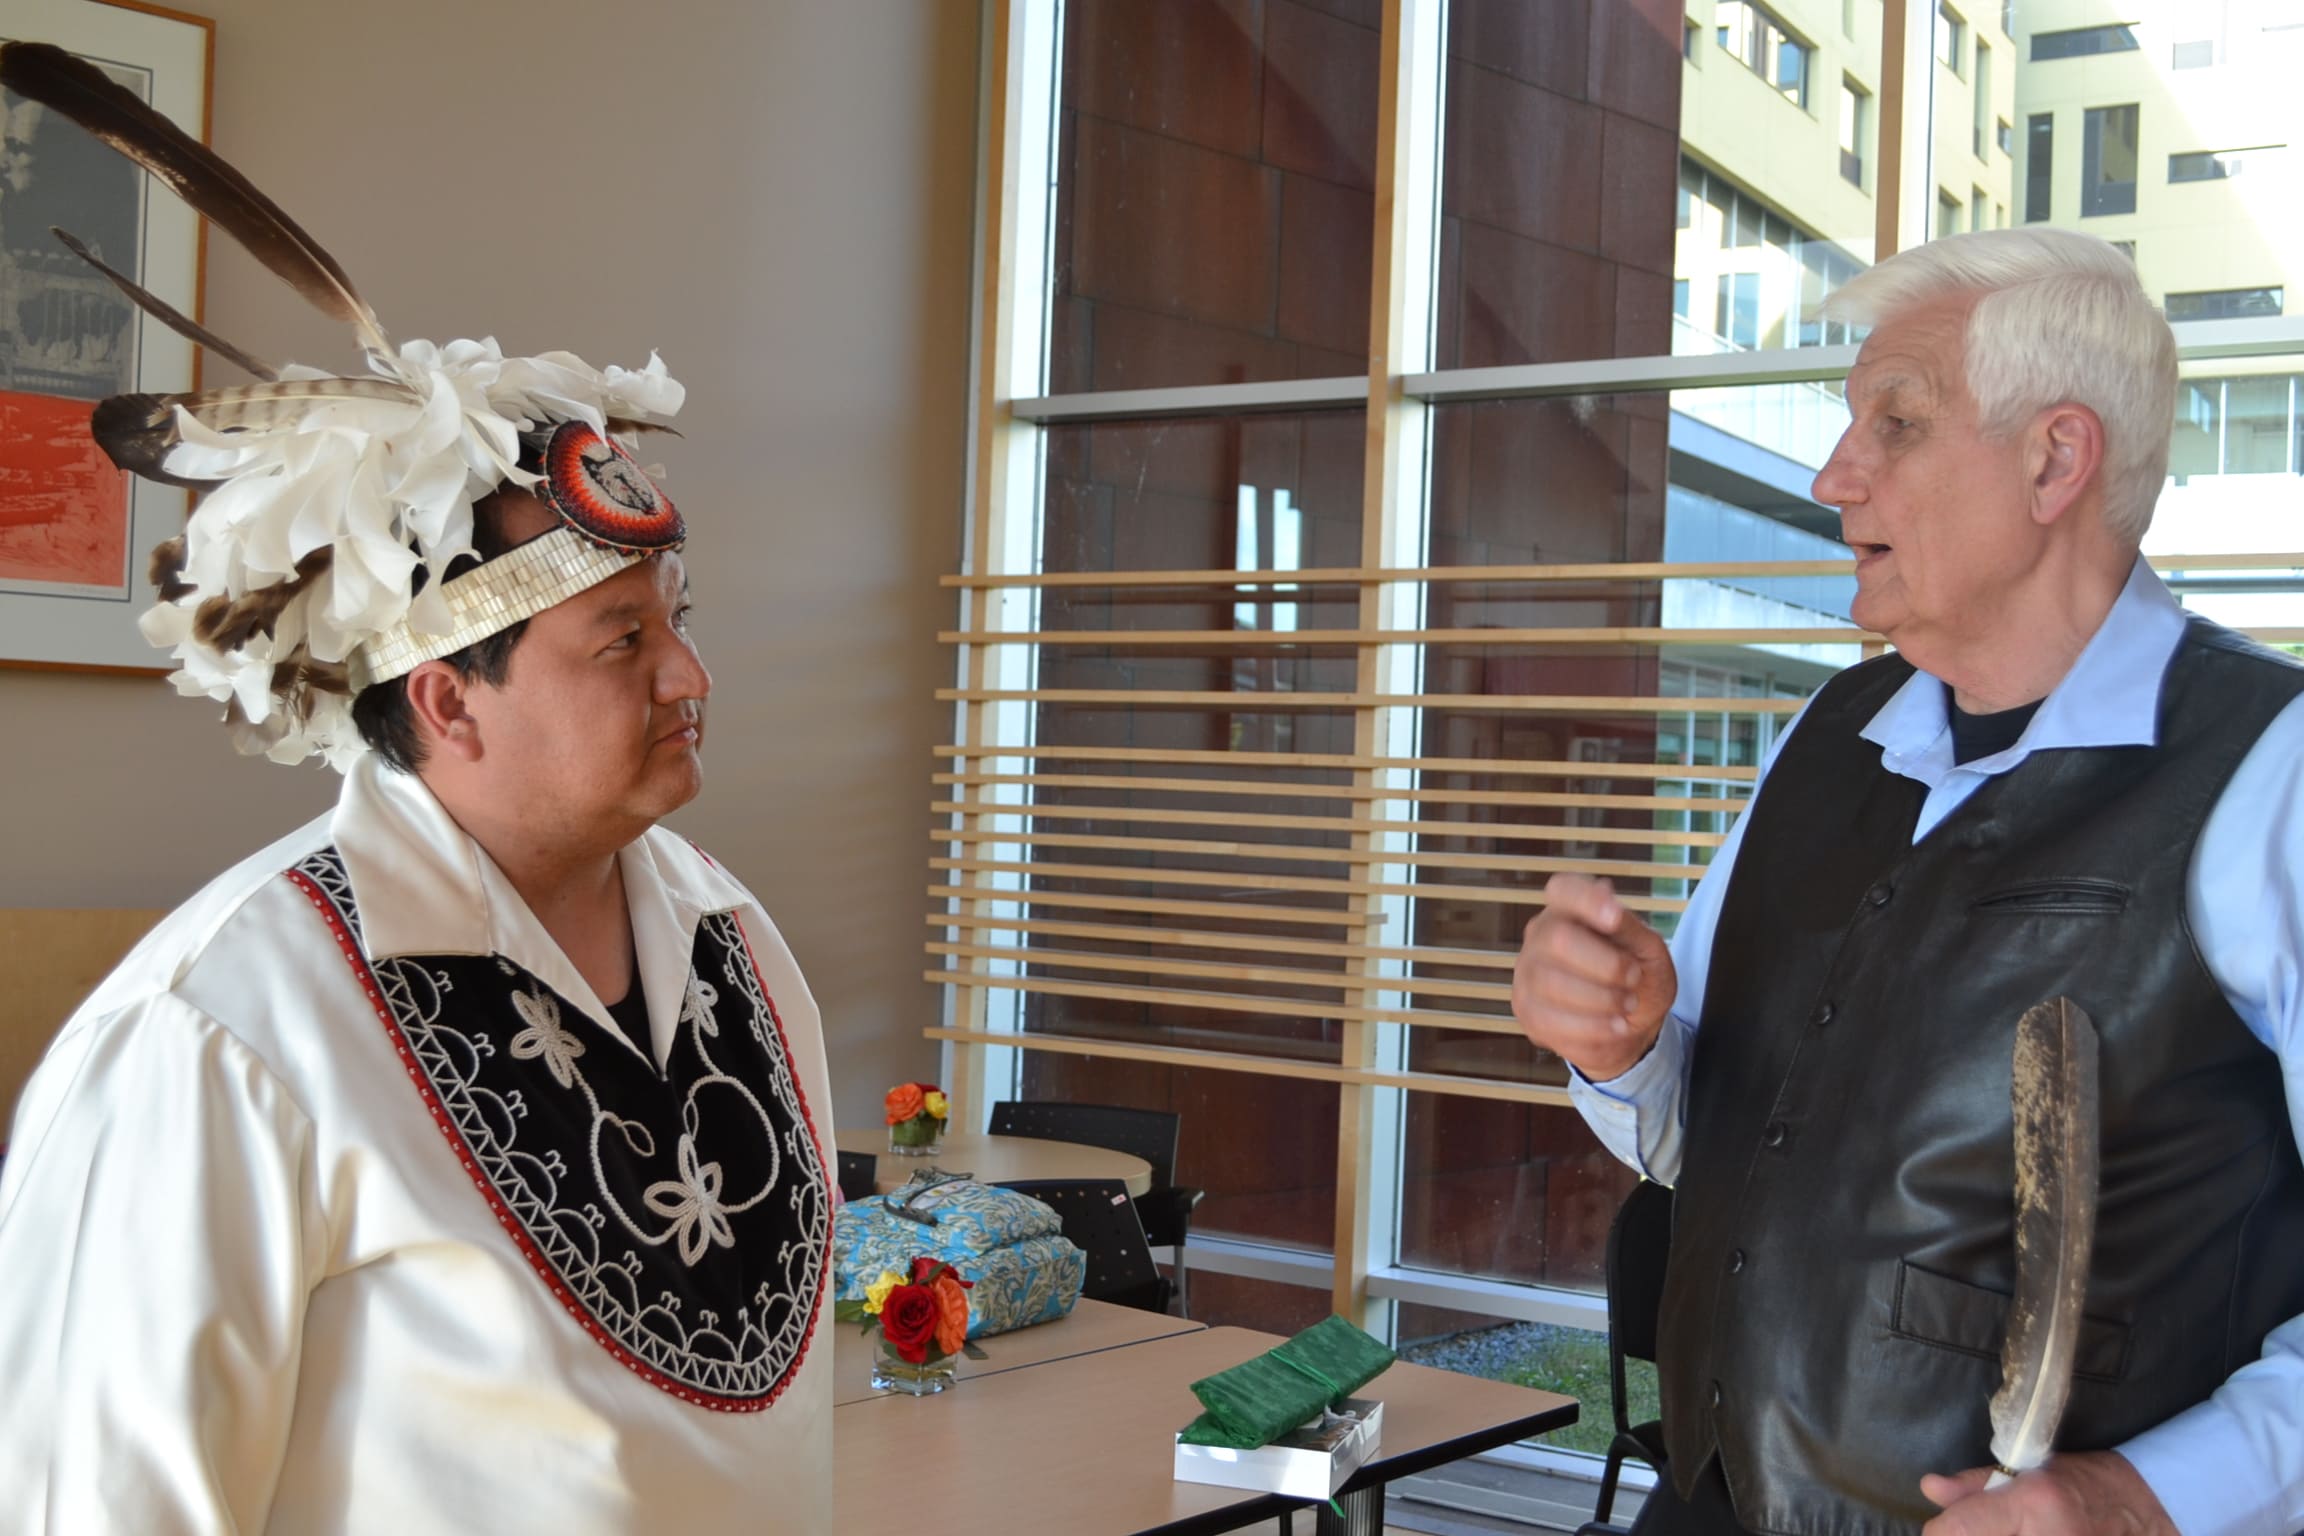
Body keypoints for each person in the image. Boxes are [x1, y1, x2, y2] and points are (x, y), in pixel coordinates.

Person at [0, 43, 833, 1534]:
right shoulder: (218, 1035)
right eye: (622, 642)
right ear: (448, 699)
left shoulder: (742, 945)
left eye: (679, 624)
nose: (689, 676)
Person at [1512, 226, 2304, 1536]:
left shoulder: (2273, 771)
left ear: (2055, 460)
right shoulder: (1828, 736)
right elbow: (1707, 1147)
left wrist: (2142, 1499)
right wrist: (1626, 1047)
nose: (1835, 476)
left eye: (1897, 423)